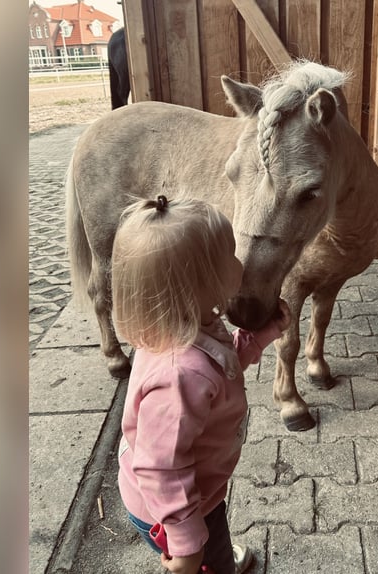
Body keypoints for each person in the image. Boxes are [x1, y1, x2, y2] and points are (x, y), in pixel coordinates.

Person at [112, 195, 291, 574]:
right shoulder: (179, 375)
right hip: (174, 509)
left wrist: (260, 336)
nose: (240, 261)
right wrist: (187, 545)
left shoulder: (187, 326)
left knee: (214, 535)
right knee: (210, 559)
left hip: (197, 495)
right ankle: (215, 559)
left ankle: (217, 553)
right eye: (231, 254)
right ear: (201, 280)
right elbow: (161, 469)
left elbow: (219, 370)